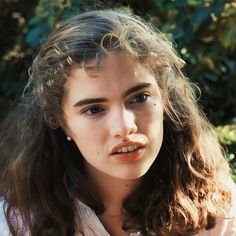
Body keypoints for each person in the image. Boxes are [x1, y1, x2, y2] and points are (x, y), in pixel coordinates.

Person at [0, 9, 235, 236]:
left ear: (164, 98)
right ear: (61, 121)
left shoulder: (219, 212)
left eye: (139, 98)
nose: (124, 127)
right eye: (94, 110)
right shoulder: (18, 224)